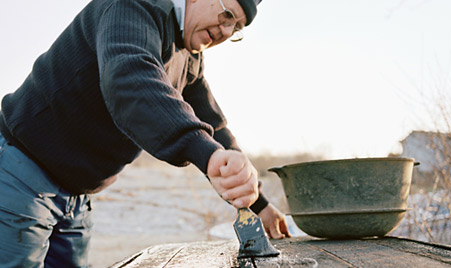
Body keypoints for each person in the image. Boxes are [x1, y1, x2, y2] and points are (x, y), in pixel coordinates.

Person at [0, 0, 290, 266]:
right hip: (22, 174)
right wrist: (204, 152)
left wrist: (258, 204)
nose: (226, 31)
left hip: (77, 197)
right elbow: (130, 77)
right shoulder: (133, 5)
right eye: (227, 15)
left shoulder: (188, 58)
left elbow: (213, 127)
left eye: (237, 27)